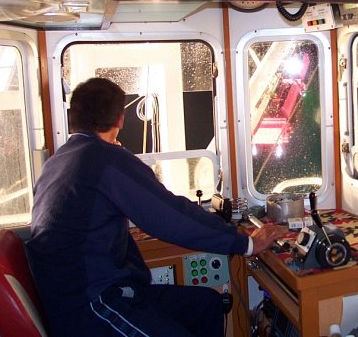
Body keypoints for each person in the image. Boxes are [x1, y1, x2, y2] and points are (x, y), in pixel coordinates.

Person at [27, 77, 285, 337]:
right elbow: (169, 216)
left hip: (81, 293)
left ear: (74, 117)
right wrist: (246, 244)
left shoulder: (58, 161)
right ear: (120, 119)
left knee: (206, 305)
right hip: (90, 304)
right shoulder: (105, 159)